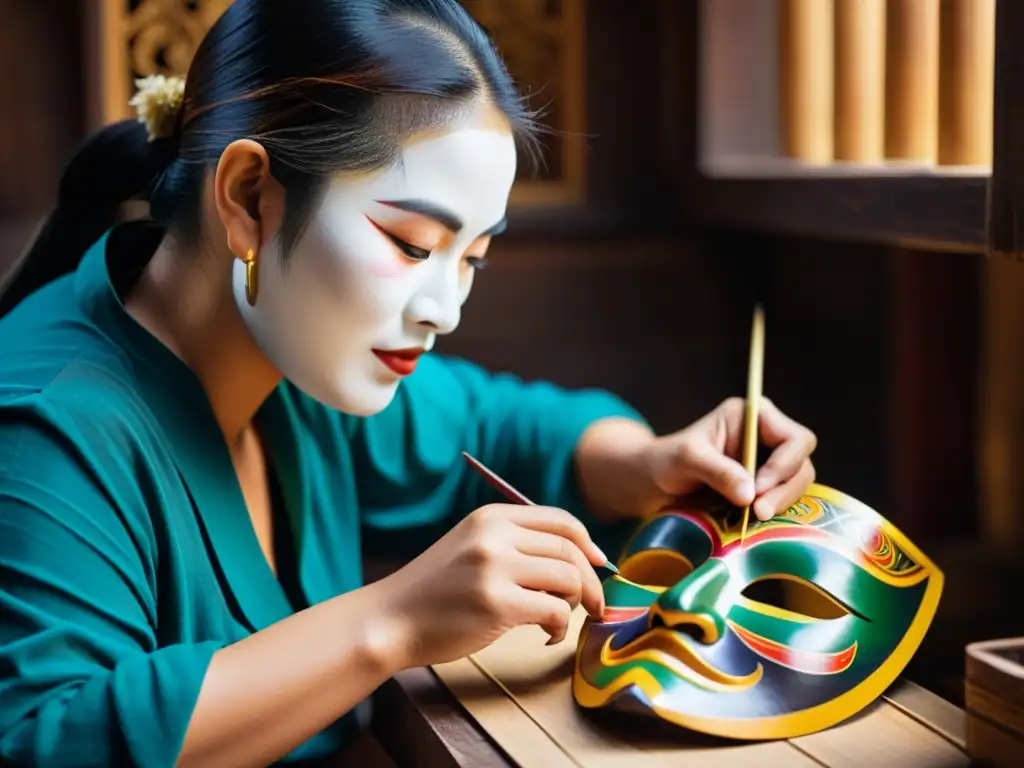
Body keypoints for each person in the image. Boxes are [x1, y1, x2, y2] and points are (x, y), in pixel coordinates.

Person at [0, 1, 817, 765]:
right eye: (413, 243)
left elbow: (506, 428)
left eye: (474, 259)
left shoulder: (292, 358)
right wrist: (393, 621)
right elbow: (47, 735)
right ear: (250, 196)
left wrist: (652, 461)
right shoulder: (48, 422)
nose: (445, 310)